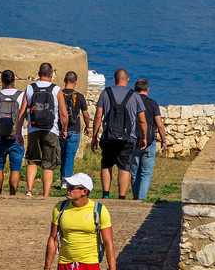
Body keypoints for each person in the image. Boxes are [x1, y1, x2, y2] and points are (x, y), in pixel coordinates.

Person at [91, 68, 146, 200]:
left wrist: (94, 137)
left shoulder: (106, 93)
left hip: (108, 137)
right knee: (124, 168)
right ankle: (121, 197)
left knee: (106, 164)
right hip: (128, 138)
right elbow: (142, 121)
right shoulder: (134, 96)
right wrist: (143, 137)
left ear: (114, 79)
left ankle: (106, 195)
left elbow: (98, 116)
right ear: (127, 79)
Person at [21, 62, 66, 197]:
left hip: (33, 129)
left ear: (38, 74)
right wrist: (63, 129)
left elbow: (22, 112)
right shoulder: (56, 89)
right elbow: (63, 114)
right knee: (48, 164)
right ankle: (45, 194)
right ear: (51, 75)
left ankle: (29, 189)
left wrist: (18, 131)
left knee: (33, 160)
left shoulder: (30, 88)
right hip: (51, 130)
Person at [0, 69, 25, 195]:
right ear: (14, 80)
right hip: (17, 137)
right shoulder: (21, 96)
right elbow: (26, 116)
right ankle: (12, 194)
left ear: (2, 81)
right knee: (15, 168)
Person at [130, 78, 167, 201]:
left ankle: (136, 198)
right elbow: (160, 125)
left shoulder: (131, 102)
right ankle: (140, 199)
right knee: (145, 174)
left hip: (134, 141)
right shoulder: (153, 103)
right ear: (147, 90)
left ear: (135, 90)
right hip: (150, 142)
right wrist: (164, 141)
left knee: (134, 173)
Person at [59, 72, 88, 181]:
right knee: (69, 157)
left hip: (60, 129)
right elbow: (85, 114)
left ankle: (62, 178)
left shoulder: (59, 94)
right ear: (75, 82)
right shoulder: (79, 96)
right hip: (74, 130)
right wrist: (87, 127)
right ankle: (65, 181)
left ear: (64, 80)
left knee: (62, 156)